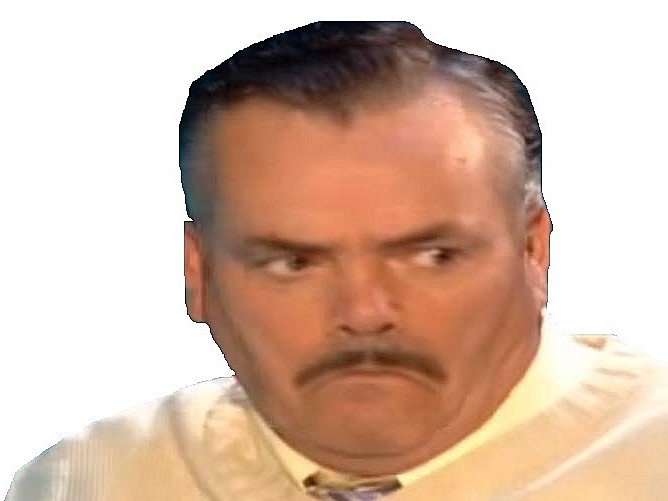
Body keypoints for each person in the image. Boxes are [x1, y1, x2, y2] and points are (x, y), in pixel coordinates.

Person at [6, 20, 668, 501]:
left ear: (533, 251)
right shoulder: (93, 480)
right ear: (198, 275)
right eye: (293, 264)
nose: (365, 312)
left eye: (432, 256)